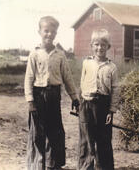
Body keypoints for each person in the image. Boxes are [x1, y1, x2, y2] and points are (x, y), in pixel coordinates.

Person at [24, 16, 79, 170]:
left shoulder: (60, 55)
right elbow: (28, 78)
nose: (49, 34)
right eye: (46, 31)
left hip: (54, 96)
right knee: (37, 133)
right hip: (38, 96)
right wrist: (30, 101)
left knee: (54, 131)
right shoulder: (34, 54)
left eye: (53, 32)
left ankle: (52, 164)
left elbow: (67, 77)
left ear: (56, 33)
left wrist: (74, 98)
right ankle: (37, 164)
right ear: (39, 32)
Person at [77, 29, 119, 170]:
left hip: (103, 106)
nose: (99, 48)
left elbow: (115, 90)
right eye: (96, 44)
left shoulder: (112, 67)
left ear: (108, 47)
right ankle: (85, 166)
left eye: (103, 45)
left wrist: (111, 111)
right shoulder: (86, 63)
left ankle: (104, 167)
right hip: (87, 104)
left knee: (104, 140)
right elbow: (82, 83)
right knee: (86, 139)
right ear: (91, 45)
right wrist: (80, 102)